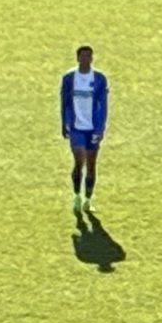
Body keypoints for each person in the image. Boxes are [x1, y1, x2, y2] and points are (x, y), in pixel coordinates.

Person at [61, 43, 110, 218]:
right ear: (77, 58)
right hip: (76, 128)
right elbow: (64, 102)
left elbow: (103, 105)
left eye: (88, 56)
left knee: (91, 165)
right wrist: (64, 123)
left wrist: (100, 128)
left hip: (92, 129)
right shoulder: (69, 78)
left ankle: (88, 199)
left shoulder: (99, 79)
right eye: (82, 56)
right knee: (79, 160)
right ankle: (76, 196)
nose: (85, 59)